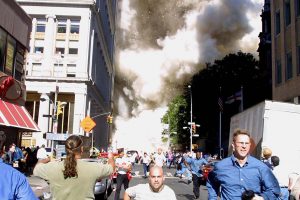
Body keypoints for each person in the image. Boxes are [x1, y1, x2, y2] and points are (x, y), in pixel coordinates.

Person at [33, 135, 115, 200]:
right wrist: (111, 157)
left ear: (66, 150)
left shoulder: (52, 167)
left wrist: (44, 160)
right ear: (81, 149)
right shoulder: (93, 167)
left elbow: (36, 169)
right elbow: (111, 169)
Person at [207, 128, 281, 200]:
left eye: (247, 143)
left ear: (249, 145)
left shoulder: (260, 167)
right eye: (241, 143)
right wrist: (212, 198)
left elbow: (274, 189)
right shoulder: (221, 167)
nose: (244, 146)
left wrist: (262, 198)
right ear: (233, 145)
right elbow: (211, 182)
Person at [0, 131, 37, 199]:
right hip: (11, 166)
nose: (14, 148)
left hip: (14, 164)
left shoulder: (15, 152)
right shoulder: (9, 153)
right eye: (13, 147)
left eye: (14, 147)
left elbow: (18, 158)